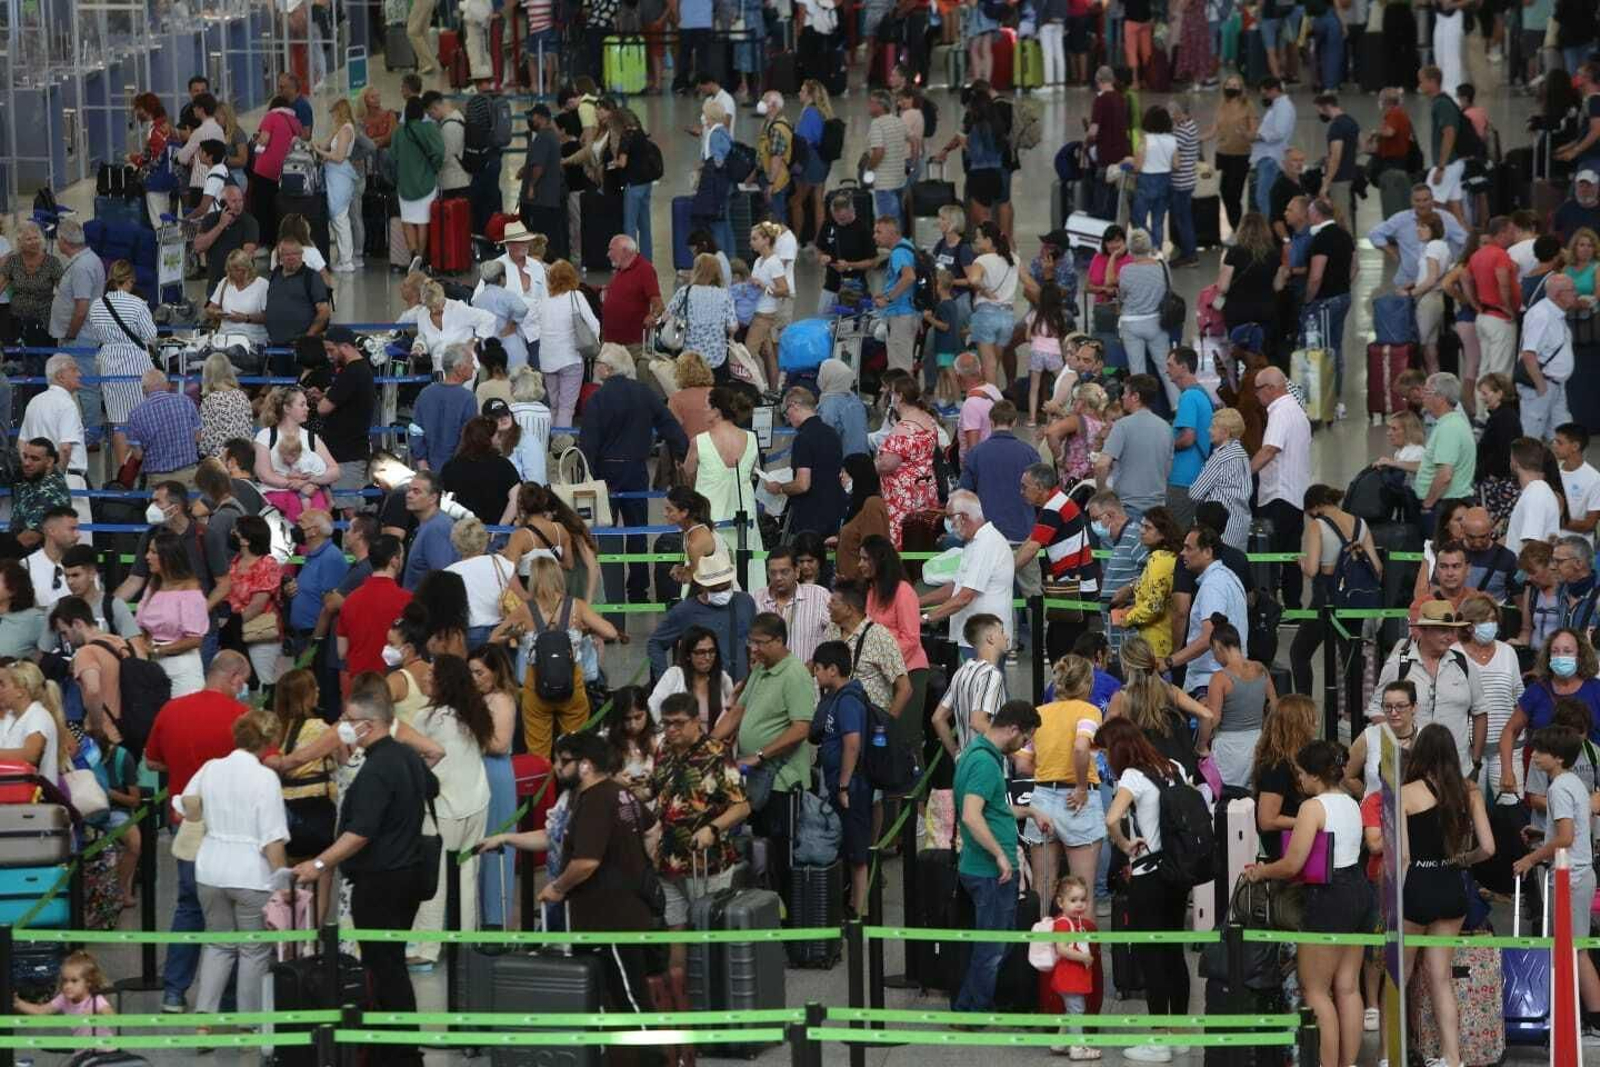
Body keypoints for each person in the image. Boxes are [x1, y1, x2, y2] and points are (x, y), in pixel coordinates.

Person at [289, 684, 437, 1067]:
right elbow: (431, 786)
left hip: (379, 880)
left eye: (349, 721)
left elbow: (359, 833)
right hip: (408, 876)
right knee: (391, 962)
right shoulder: (407, 756)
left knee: (383, 966)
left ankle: (400, 1050)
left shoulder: (376, 769)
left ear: (368, 725)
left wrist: (319, 864)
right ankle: (397, 1046)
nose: (344, 727)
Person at [1242, 740, 1372, 1067]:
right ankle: (1348, 1063)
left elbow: (1292, 863)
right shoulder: (1352, 803)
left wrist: (1261, 872)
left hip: (1328, 896)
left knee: (1315, 991)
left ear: (1314, 775)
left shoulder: (1312, 808)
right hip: (1357, 889)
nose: (1299, 780)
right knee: (1347, 988)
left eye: (1300, 773)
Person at [142, 651, 251, 1012]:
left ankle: (174, 992)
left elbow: (152, 760)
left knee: (188, 905)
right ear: (236, 678)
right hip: (229, 828)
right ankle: (229, 1000)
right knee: (232, 910)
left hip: (185, 824)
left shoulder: (171, 711)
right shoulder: (241, 717)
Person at [178, 706, 290, 1018]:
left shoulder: (211, 768)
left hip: (210, 869)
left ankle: (204, 1017)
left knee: (218, 945)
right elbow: (272, 839)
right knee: (253, 950)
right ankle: (248, 1021)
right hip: (250, 874)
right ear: (268, 741)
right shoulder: (265, 778)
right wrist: (282, 884)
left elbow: (185, 803)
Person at [1097, 716, 1190, 1061]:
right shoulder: (1174, 767)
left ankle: (1158, 1040)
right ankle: (1180, 1035)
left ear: (1118, 748)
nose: (1105, 758)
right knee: (1174, 954)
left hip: (1148, 875)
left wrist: (1124, 843)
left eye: (1106, 750)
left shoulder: (1132, 776)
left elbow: (1111, 819)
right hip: (1177, 872)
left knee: (1152, 958)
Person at [954, 700, 1049, 1014]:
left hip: (983, 868)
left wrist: (1031, 810)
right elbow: (971, 815)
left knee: (995, 942)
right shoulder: (985, 763)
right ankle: (972, 1010)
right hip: (989, 870)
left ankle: (970, 1003)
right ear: (1012, 729)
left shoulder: (976, 755)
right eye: (1025, 739)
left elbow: (992, 807)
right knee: (993, 946)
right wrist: (999, 855)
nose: (1025, 746)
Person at [711, 611, 814, 889]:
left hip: (782, 782)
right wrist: (706, 746)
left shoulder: (795, 674)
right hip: (756, 781)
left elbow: (801, 728)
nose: (753, 649)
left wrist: (759, 756)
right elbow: (738, 711)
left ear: (779, 641)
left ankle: (788, 923)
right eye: (751, 642)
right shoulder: (760, 669)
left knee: (782, 858)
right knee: (760, 854)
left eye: (760, 643)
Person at [1512, 725, 1600, 1039]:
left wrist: (1530, 858)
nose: (1533, 755)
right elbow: (1574, 827)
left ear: (1558, 757)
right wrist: (1541, 835)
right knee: (1575, 947)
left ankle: (1593, 1018)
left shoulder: (1558, 788)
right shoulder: (1573, 782)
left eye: (1540, 751)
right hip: (1578, 873)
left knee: (1575, 950)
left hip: (1570, 878)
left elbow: (1565, 837)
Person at [1019, 655, 1106, 917]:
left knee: (1042, 887)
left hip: (1042, 799)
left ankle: (1041, 953)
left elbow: (1022, 765)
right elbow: (1081, 747)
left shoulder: (1040, 714)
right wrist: (1080, 786)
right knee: (1082, 891)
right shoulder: (1089, 711)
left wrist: (1047, 772)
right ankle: (1082, 954)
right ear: (1087, 684)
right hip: (1078, 801)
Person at [1367, 600, 1488, 777]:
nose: (1449, 636)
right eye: (1442, 630)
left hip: (1457, 771)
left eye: (1451, 630)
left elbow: (1480, 713)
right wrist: (1398, 744)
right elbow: (1376, 709)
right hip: (1409, 771)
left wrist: (1475, 763)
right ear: (1423, 630)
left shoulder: (1464, 664)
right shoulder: (1398, 665)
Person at [518, 557, 620, 758]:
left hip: (536, 685)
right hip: (571, 683)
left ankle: (543, 784)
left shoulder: (524, 610)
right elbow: (611, 633)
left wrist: (517, 632)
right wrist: (584, 630)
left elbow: (496, 636)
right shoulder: (576, 607)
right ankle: (573, 783)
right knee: (576, 746)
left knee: (537, 750)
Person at [1290, 484, 1384, 694]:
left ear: (1313, 508)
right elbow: (1377, 567)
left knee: (1299, 652)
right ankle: (1352, 716)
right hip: (1355, 597)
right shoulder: (1360, 523)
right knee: (1350, 653)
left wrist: (1301, 563)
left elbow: (1313, 569)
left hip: (1328, 595)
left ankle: (1305, 709)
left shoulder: (1318, 525)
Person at [809, 642, 875, 914]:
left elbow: (852, 743)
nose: (815, 676)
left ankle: (860, 912)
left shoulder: (848, 700)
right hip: (841, 783)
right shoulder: (836, 697)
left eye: (818, 670)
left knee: (857, 853)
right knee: (847, 847)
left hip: (852, 786)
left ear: (833, 670)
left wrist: (845, 785)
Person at [85, 260, 158, 470]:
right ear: (130, 281)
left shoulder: (97, 305)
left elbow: (96, 334)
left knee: (118, 421)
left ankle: (124, 471)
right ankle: (144, 467)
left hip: (108, 362)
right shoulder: (137, 304)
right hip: (135, 364)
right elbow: (150, 335)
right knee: (141, 417)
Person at [922, 490, 1016, 652]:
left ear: (964, 517)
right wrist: (916, 602)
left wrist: (926, 617)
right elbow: (955, 587)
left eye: (950, 518)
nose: (950, 525)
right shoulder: (974, 543)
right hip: (972, 638)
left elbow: (964, 596)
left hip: (984, 641)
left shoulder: (986, 544)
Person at [1251, 367, 1312, 608]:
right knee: (1290, 554)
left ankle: (1269, 608)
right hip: (1296, 495)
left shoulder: (1280, 412)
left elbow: (1269, 450)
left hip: (1278, 495)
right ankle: (1294, 606)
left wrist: (1244, 473)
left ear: (1271, 388)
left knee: (1271, 557)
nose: (1256, 395)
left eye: (1258, 389)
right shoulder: (1297, 411)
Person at [874, 378, 943, 547]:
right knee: (922, 532)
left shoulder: (903, 429)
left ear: (900, 396)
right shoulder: (928, 419)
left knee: (904, 535)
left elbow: (887, 465)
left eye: (892, 394)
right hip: (925, 486)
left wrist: (875, 462)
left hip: (904, 494)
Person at [1096, 374, 1174, 521]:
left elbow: (1101, 465)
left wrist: (1102, 492)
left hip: (1127, 508)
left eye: (1125, 393)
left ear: (1135, 397)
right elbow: (1167, 469)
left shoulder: (1122, 426)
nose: (1122, 397)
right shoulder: (1166, 428)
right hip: (1158, 509)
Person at [932, 613, 1010, 760]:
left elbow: (938, 718)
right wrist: (1013, 748)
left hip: (966, 764)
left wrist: (957, 754)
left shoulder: (962, 672)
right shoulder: (991, 674)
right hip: (988, 765)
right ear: (990, 638)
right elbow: (978, 722)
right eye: (1001, 632)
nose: (1006, 636)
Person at [123, 369, 202, 486]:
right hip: (188, 476)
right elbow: (197, 437)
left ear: (144, 389)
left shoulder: (135, 414)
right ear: (167, 385)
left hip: (158, 480)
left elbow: (138, 455)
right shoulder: (186, 402)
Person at [965, 223, 1020, 385]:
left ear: (989, 240)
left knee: (989, 365)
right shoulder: (1014, 259)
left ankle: (991, 403)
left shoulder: (981, 260)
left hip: (987, 315)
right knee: (994, 363)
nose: (976, 240)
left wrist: (984, 289)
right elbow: (1030, 284)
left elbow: (973, 279)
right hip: (1007, 317)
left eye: (978, 237)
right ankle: (993, 398)